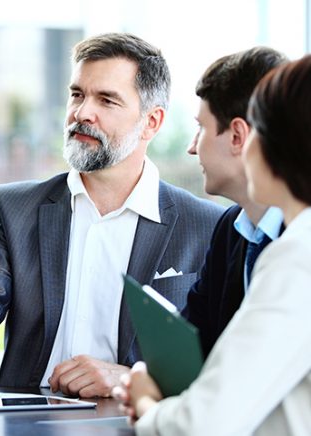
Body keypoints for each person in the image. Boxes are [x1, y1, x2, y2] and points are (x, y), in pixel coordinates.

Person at [0, 33, 223, 397]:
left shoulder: (207, 227)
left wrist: (128, 378)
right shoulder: (16, 209)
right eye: (77, 94)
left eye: (106, 100)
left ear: (152, 122)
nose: (81, 113)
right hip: (27, 424)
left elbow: (218, 359)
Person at [115, 54, 311, 435]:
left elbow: (203, 425)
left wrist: (144, 404)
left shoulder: (299, 255)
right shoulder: (242, 233)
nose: (192, 148)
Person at [181, 47, 287, 358]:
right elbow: (194, 343)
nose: (191, 147)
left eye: (201, 128)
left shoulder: (300, 239)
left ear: (237, 136)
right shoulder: (230, 228)